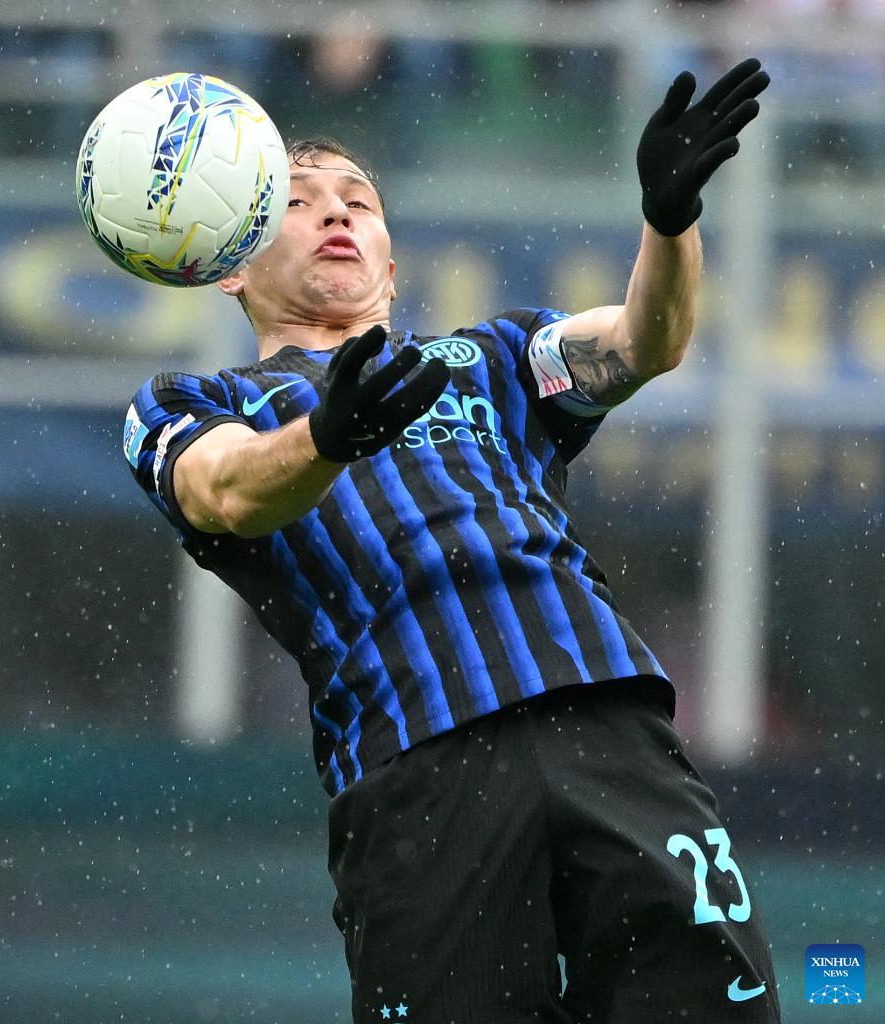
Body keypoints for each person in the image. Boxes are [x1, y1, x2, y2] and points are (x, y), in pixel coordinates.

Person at [123, 57, 779, 1024]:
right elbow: (222, 491)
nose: (336, 212)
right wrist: (327, 438)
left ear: (390, 266)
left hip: (606, 728)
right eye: (296, 202)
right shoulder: (198, 402)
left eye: (358, 201)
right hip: (418, 773)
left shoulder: (491, 356)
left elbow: (647, 342)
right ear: (231, 264)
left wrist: (669, 220)